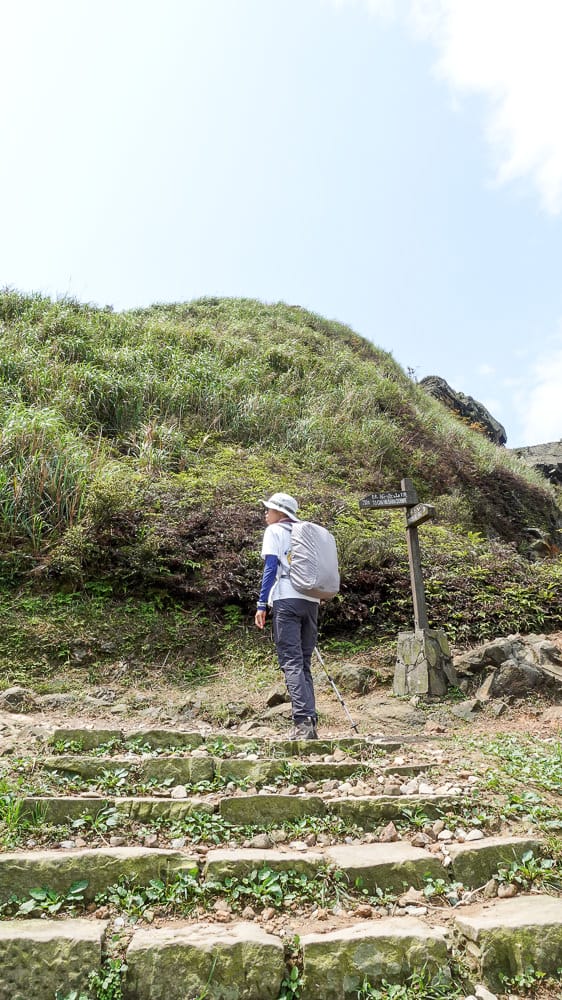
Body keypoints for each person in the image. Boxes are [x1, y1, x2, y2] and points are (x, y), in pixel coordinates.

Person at [254, 492, 319, 740]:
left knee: (291, 661)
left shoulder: (275, 532)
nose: (265, 514)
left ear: (280, 513)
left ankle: (303, 724)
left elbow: (271, 567)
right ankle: (310, 721)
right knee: (304, 662)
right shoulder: (305, 533)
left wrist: (262, 604)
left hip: (286, 599)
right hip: (311, 600)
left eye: (269, 509)